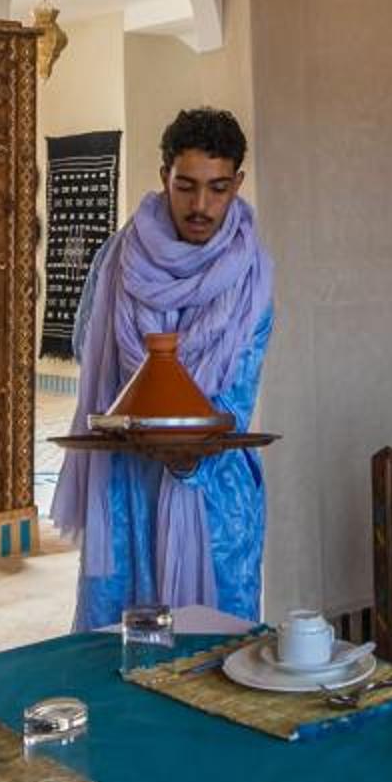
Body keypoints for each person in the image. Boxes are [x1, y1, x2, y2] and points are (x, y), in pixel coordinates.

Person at [51, 106, 274, 633]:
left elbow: (236, 395)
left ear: (238, 183)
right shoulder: (118, 260)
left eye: (218, 189)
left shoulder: (251, 276)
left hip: (212, 493)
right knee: (115, 652)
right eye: (186, 186)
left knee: (212, 656)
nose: (201, 206)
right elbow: (89, 350)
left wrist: (183, 447)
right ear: (163, 178)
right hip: (125, 488)